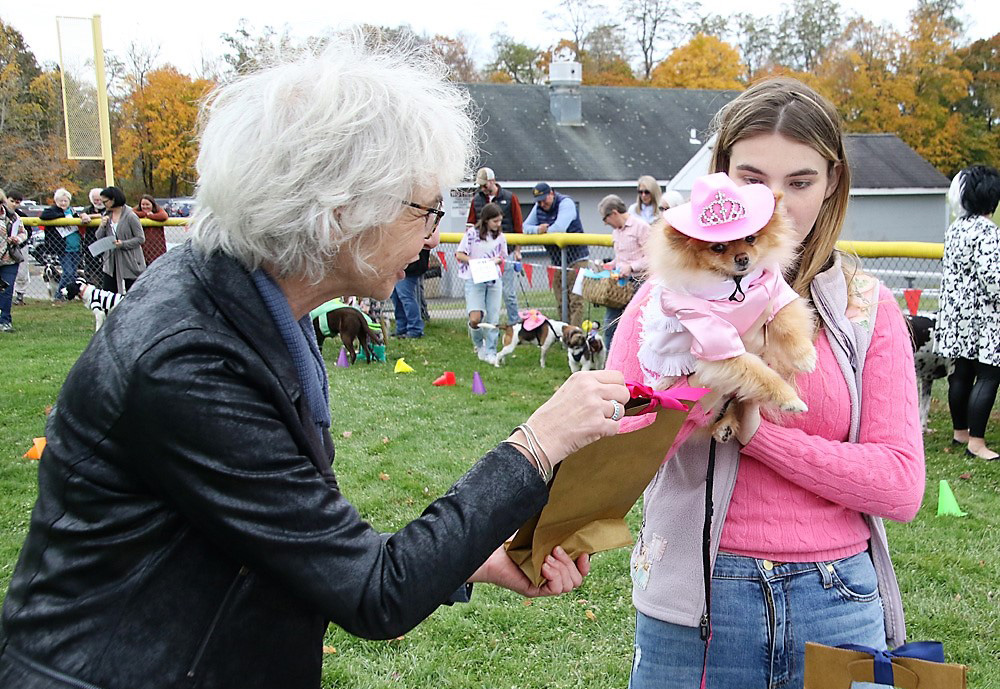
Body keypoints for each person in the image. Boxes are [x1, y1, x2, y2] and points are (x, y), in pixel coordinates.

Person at [0, 36, 632, 689]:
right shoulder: (189, 357)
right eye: (424, 209)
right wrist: (537, 444)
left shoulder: (257, 308)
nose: (434, 234)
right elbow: (371, 591)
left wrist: (475, 559)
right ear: (340, 215)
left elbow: (308, 543)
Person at [608, 77, 925, 689]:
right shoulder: (665, 303)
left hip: (837, 602)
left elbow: (900, 485)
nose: (775, 203)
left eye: (800, 182)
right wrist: (690, 396)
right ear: (719, 178)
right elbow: (619, 456)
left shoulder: (867, 306)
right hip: (694, 602)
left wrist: (757, 435)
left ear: (832, 184)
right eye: (754, 180)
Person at [935, 164, 1000, 461]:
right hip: (984, 317)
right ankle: (977, 442)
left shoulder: (955, 229)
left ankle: (960, 431)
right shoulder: (989, 233)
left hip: (956, 314)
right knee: (988, 376)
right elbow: (994, 281)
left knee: (961, 373)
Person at [523, 182, 590, 326]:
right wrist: (537, 230)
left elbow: (559, 228)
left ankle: (575, 336)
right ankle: (564, 334)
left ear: (552, 193)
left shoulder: (566, 203)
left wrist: (542, 231)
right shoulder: (538, 207)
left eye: (544, 199)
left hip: (577, 259)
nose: (541, 204)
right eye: (538, 201)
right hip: (558, 262)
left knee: (575, 300)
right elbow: (524, 227)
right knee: (561, 301)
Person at [468, 166, 524, 325]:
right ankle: (488, 323)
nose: (482, 189)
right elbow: (470, 224)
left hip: (505, 252)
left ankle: (515, 323)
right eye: (480, 185)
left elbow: (518, 226)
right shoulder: (477, 199)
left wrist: (518, 250)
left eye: (484, 185)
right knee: (485, 290)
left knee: (508, 291)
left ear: (492, 181)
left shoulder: (509, 198)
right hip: (483, 255)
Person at [597, 194, 650, 350]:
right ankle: (609, 362)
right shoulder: (616, 232)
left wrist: (631, 267)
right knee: (610, 325)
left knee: (636, 325)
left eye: (605, 219)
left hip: (639, 284)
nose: (606, 223)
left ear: (614, 213)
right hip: (618, 286)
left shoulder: (641, 227)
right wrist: (609, 265)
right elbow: (621, 258)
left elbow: (653, 258)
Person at [457, 202, 508, 363]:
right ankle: (479, 344)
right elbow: (460, 254)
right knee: (475, 318)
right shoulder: (472, 234)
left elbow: (503, 255)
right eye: (495, 221)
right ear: (486, 220)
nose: (498, 224)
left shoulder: (500, 237)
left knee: (493, 317)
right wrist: (475, 262)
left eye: (500, 221)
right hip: (475, 278)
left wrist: (497, 260)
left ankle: (492, 351)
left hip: (493, 278)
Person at [39, 187, 92, 300]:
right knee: (67, 272)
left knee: (73, 273)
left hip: (76, 246)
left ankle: (69, 295)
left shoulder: (73, 211)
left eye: (65, 201)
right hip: (63, 248)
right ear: (56, 201)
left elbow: (82, 220)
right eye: (61, 201)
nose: (63, 203)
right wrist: (63, 217)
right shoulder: (53, 211)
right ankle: (59, 295)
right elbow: (44, 216)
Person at [94, 186, 146, 294]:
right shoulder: (106, 215)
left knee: (132, 293)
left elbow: (140, 238)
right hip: (111, 262)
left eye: (105, 201)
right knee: (108, 293)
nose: (104, 205)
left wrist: (123, 244)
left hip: (129, 261)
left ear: (113, 199)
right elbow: (98, 237)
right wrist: (102, 225)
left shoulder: (131, 216)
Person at [0, 192, 28, 331]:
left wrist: (17, 239)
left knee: (7, 289)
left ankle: (5, 321)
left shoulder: (13, 216)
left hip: (9, 259)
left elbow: (24, 232)